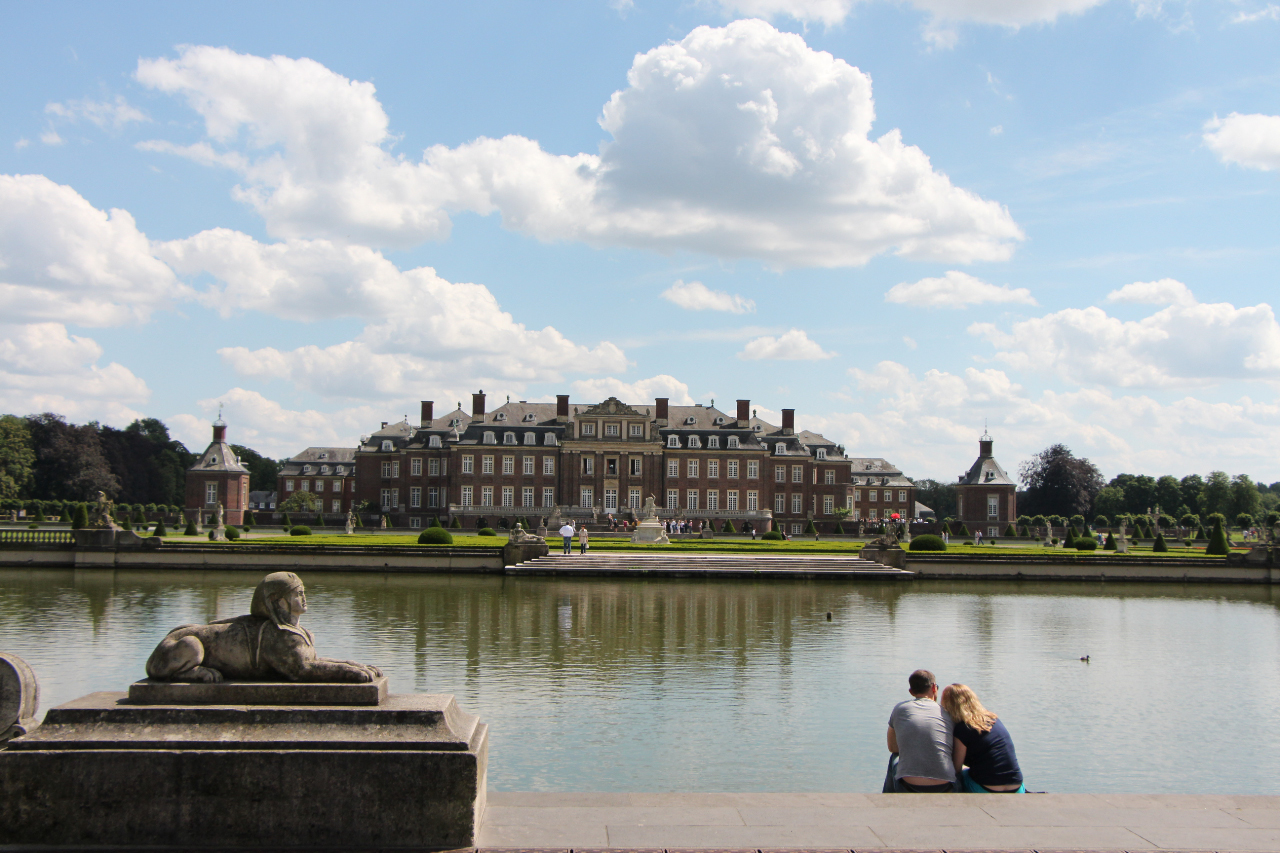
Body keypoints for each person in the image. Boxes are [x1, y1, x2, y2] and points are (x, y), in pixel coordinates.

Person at [940, 683, 1025, 794]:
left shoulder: (963, 728)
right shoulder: (993, 719)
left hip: (987, 790)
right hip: (1017, 788)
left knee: (959, 775)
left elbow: (956, 768)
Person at [884, 669, 955, 793]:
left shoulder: (900, 709)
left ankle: (887, 801)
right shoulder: (947, 712)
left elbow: (893, 747)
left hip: (909, 785)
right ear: (934, 688)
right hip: (945, 785)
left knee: (895, 757)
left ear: (911, 692)